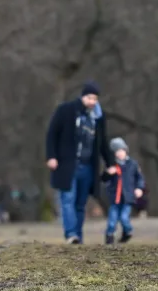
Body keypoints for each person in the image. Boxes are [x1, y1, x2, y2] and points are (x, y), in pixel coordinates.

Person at [45, 81, 116, 244]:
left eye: (95, 99)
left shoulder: (98, 117)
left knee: (80, 203)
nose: (92, 102)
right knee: (67, 199)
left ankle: (78, 235)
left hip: (88, 166)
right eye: (89, 98)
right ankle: (71, 234)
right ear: (83, 97)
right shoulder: (66, 110)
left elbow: (103, 142)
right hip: (67, 164)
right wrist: (51, 156)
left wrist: (110, 163)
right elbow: (52, 134)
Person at [101, 138, 145, 244]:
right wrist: (108, 173)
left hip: (128, 198)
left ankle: (127, 232)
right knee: (112, 220)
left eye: (121, 150)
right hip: (114, 198)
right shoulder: (111, 166)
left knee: (124, 218)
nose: (120, 153)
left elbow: (140, 178)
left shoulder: (132, 164)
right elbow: (103, 179)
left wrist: (139, 188)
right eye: (117, 151)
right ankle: (109, 236)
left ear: (126, 150)